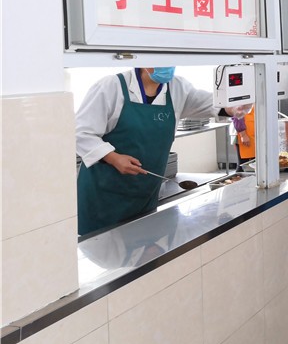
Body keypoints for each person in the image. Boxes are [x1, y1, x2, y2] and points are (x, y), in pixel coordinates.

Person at [75, 67, 246, 236]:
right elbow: (80, 133)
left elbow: (214, 104)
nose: (167, 65)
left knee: (140, 242)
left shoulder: (178, 88)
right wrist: (113, 157)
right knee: (101, 248)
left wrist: (233, 107)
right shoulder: (111, 87)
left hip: (145, 193)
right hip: (103, 195)